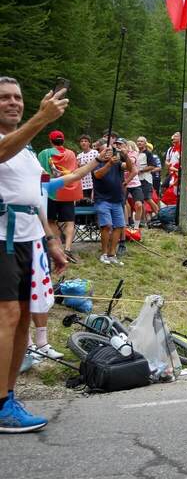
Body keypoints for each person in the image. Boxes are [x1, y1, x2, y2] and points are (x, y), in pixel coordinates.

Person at [0, 77, 69, 433]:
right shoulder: (12, 141)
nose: (13, 102)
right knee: (7, 315)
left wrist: (51, 239)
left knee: (24, 317)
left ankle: (8, 397)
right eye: (4, 98)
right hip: (2, 238)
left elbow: (35, 197)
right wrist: (41, 119)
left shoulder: (26, 149)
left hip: (30, 240)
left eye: (18, 97)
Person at [38, 130, 82, 263]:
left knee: (51, 221)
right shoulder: (71, 154)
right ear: (63, 140)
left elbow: (41, 172)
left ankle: (58, 248)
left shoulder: (44, 153)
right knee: (69, 221)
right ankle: (68, 248)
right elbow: (74, 172)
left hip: (51, 192)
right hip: (68, 192)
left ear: (50, 140)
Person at [92, 142, 133, 265]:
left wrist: (126, 156)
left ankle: (112, 254)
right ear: (101, 152)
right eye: (106, 151)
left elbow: (130, 168)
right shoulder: (96, 163)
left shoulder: (117, 163)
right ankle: (104, 253)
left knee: (119, 226)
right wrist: (109, 164)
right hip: (102, 200)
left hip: (117, 200)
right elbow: (98, 175)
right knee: (106, 226)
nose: (108, 153)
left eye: (110, 151)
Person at [136, 137, 160, 224]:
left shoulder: (148, 153)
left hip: (146, 179)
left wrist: (141, 170)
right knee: (140, 200)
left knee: (148, 198)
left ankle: (159, 216)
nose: (139, 143)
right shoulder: (136, 153)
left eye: (141, 141)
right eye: (138, 141)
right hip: (137, 179)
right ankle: (143, 220)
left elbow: (153, 166)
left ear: (145, 143)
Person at [76, 135, 97, 202]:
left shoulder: (95, 153)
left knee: (93, 202)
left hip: (93, 183)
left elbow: (99, 165)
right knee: (84, 203)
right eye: (81, 141)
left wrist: (86, 165)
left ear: (89, 143)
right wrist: (78, 166)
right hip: (83, 184)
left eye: (85, 141)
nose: (83, 143)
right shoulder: (79, 155)